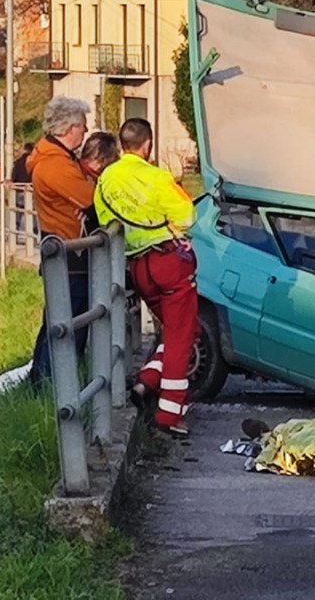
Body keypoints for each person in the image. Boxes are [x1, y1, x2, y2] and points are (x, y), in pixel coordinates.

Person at [95, 119, 198, 436]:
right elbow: (187, 216)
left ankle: (147, 381)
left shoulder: (106, 179)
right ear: (148, 145)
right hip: (168, 262)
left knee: (173, 333)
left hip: (138, 269)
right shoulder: (157, 177)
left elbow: (104, 219)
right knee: (182, 337)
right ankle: (170, 414)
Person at [26, 98, 94, 386]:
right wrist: (90, 196)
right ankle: (52, 387)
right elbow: (93, 200)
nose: (86, 130)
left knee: (56, 325)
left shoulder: (55, 159)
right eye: (82, 125)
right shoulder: (56, 165)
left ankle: (42, 385)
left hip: (64, 254)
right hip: (70, 256)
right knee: (67, 328)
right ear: (68, 128)